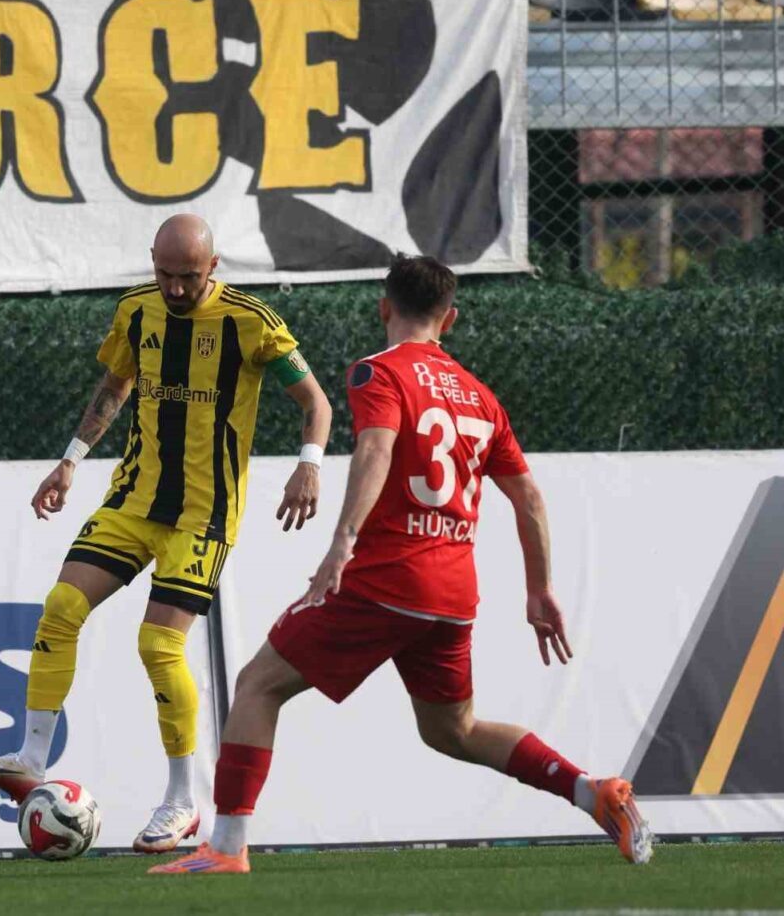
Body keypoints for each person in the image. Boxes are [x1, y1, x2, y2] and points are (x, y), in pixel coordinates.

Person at [153, 254, 654, 874]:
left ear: (384, 307)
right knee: (452, 730)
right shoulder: (479, 396)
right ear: (451, 318)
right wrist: (540, 588)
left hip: (386, 580)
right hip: (453, 594)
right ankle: (590, 791)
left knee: (258, 684)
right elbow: (527, 497)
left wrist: (343, 541)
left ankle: (226, 848)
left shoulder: (378, 372)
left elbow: (376, 450)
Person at [0, 214, 333, 853]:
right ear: (152, 262)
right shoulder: (136, 311)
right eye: (165, 274)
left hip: (203, 515)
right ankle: (30, 760)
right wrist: (70, 461)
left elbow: (316, 403)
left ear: (213, 267)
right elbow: (114, 387)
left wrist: (310, 465)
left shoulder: (251, 322)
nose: (176, 288)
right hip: (134, 499)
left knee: (159, 644)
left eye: (189, 276)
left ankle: (183, 800)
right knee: (61, 607)